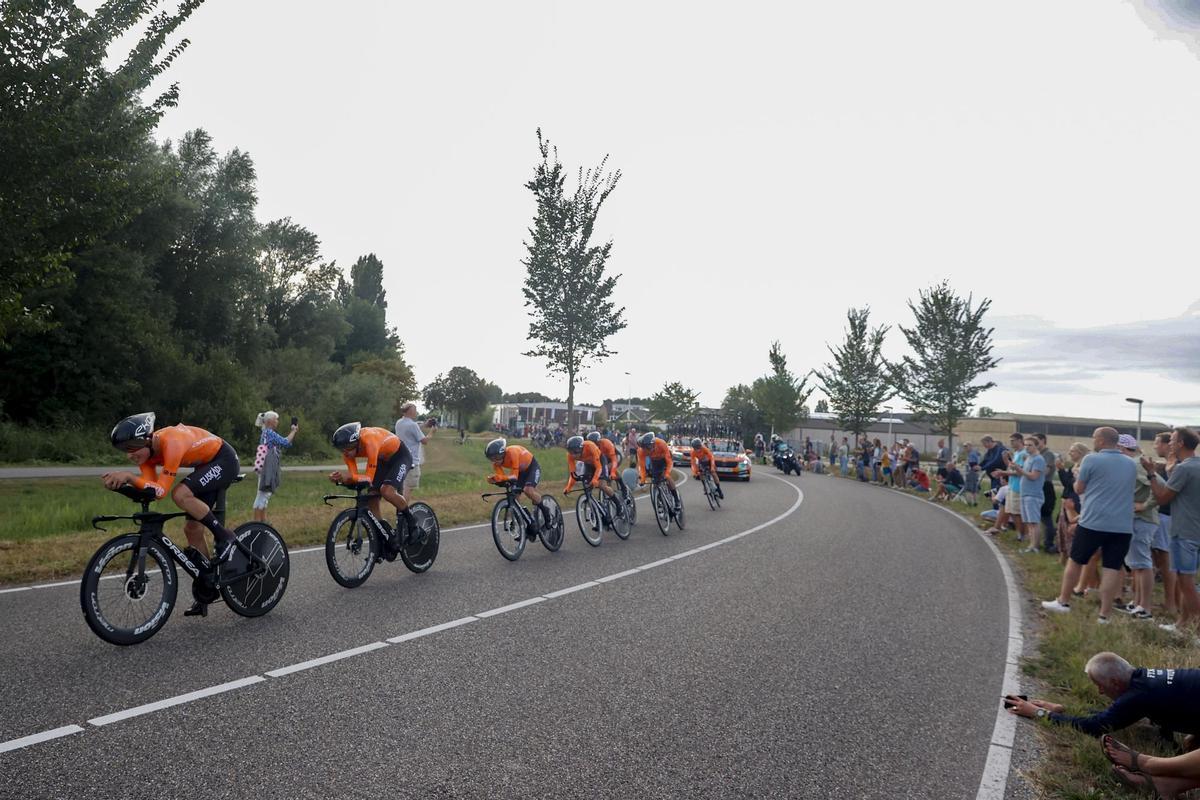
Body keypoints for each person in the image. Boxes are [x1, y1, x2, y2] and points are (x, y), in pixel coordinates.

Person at [103, 412, 241, 618]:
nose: (130, 455)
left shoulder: (172, 443)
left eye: (132, 448)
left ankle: (225, 535)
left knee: (180, 493)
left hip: (224, 459)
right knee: (192, 529)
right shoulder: (147, 455)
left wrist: (130, 478)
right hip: (205, 465)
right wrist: (124, 485)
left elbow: (162, 491)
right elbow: (151, 489)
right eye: (125, 450)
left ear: (147, 439)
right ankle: (207, 583)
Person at [1042, 427, 1136, 623]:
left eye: (1094, 438)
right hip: (1122, 524)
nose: (1093, 441)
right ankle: (1104, 614)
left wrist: (1077, 480)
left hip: (1094, 520)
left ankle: (1063, 601)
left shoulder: (1091, 459)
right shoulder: (1130, 463)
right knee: (1111, 567)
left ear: (1101, 441)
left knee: (1076, 560)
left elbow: (1080, 487)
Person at [1006, 652, 1200, 740]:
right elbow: (1114, 714)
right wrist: (1062, 709)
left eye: (1100, 685)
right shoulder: (1145, 680)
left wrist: (1039, 714)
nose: (1099, 691)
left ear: (1115, 682)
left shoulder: (1137, 695)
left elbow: (1095, 727)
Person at [1144, 427, 1200, 633]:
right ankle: (1182, 624)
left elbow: (1162, 498)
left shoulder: (1184, 469)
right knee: (1190, 580)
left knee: (1185, 582)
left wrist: (1151, 474)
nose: (1170, 444)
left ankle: (1196, 629)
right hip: (1196, 531)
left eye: (1173, 440)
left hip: (1184, 531)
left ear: (1181, 444)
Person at [329, 422, 417, 545]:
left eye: (347, 447)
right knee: (372, 497)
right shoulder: (348, 453)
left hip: (400, 456)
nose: (345, 452)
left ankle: (413, 524)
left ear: (355, 442)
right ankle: (385, 533)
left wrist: (348, 477)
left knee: (387, 491)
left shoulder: (370, 441)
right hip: (383, 458)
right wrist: (342, 479)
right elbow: (355, 477)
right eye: (341, 448)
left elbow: (368, 478)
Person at [1118, 434, 1158, 620]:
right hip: (1136, 518)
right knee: (1137, 565)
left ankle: (1146, 607)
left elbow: (1159, 486)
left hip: (1143, 519)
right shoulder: (1132, 464)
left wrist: (1145, 505)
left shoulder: (1135, 464)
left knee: (1143, 563)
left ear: (1121, 449)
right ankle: (1137, 602)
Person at [485, 437, 551, 533]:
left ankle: (546, 512)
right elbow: (504, 478)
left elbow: (514, 476)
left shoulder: (512, 452)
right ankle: (523, 520)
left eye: (496, 457)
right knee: (515, 496)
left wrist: (500, 478)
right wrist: (494, 480)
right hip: (521, 472)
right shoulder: (496, 464)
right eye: (491, 458)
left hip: (532, 467)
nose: (495, 461)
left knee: (528, 490)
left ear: (503, 452)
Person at [1151, 431, 1178, 616]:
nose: (1154, 446)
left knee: (1166, 559)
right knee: (1162, 559)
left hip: (1168, 516)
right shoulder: (1166, 466)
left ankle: (1171, 603)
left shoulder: (1176, 467)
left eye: (1157, 443)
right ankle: (1170, 601)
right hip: (1164, 515)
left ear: (1168, 445)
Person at [252, 411, 297, 522]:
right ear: (270, 421)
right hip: (268, 467)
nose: (277, 421)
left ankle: (263, 521)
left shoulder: (266, 433)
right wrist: (293, 431)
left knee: (263, 495)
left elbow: (285, 443)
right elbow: (285, 442)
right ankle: (257, 523)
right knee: (263, 495)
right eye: (276, 419)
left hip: (264, 465)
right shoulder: (269, 433)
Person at [394, 401, 436, 504]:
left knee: (402, 488)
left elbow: (413, 428)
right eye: (415, 410)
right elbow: (424, 441)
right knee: (408, 489)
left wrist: (425, 424)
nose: (416, 413)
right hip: (412, 461)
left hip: (400, 460)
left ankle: (400, 511)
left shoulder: (399, 422)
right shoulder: (413, 425)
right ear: (411, 412)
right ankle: (403, 512)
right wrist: (432, 432)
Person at [1014, 436, 1048, 554]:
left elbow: (1034, 476)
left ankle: (1035, 546)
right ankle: (1031, 545)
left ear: (1036, 446)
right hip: (1025, 493)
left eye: (1030, 445)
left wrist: (1019, 468)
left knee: (1034, 522)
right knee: (1028, 522)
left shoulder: (1038, 459)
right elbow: (1022, 474)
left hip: (1033, 494)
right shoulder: (1028, 458)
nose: (1027, 447)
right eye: (1026, 445)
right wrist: (1016, 468)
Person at [637, 431, 680, 511]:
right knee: (656, 481)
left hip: (665, 459)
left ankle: (676, 499)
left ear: (653, 443)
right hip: (655, 461)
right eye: (645, 448)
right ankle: (661, 501)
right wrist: (643, 479)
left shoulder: (661, 443)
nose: (647, 450)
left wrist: (667, 473)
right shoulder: (641, 451)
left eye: (649, 447)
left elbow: (669, 462)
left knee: (667, 477)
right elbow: (642, 467)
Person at [564, 435, 615, 502]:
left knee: (602, 485)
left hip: (600, 461)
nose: (573, 455)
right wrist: (568, 487)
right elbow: (573, 474)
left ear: (581, 448)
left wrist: (595, 479)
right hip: (588, 464)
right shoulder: (570, 456)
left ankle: (618, 504)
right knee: (587, 485)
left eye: (575, 452)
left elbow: (598, 467)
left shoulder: (590, 446)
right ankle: (593, 507)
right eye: (571, 452)